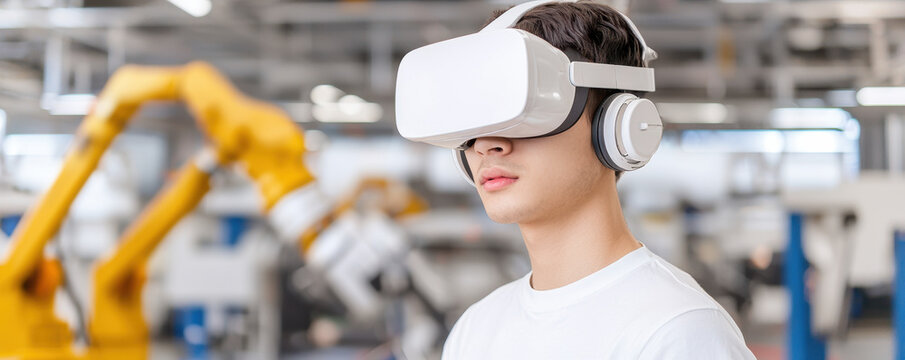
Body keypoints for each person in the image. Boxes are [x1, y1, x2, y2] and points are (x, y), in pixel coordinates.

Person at [395, 0, 757, 358]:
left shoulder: (677, 331)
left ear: (617, 127)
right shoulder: (476, 329)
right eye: (479, 121)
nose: (487, 145)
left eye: (529, 114)